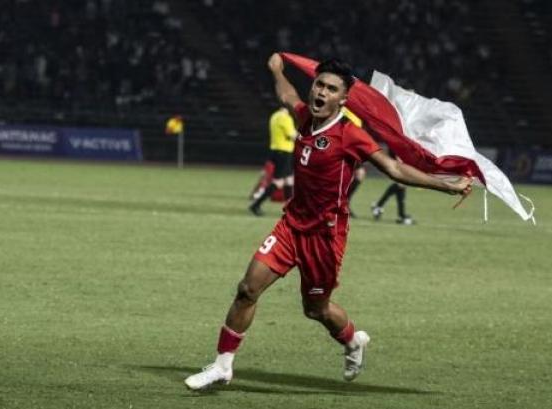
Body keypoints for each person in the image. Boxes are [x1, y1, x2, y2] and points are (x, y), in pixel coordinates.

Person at [184, 53, 472, 391]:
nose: (321, 92)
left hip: (325, 236)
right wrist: (277, 69)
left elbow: (393, 169)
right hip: (291, 226)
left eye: (331, 88)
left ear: (344, 99)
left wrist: (447, 185)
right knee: (248, 289)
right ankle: (222, 366)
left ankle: (352, 342)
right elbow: (287, 96)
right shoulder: (305, 117)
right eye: (319, 84)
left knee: (316, 310)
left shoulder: (350, 135)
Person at [249, 106, 297, 215]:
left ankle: (291, 210)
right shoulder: (285, 118)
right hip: (284, 152)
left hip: (276, 150)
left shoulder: (274, 116)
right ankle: (256, 205)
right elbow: (292, 135)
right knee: (278, 182)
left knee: (289, 179)